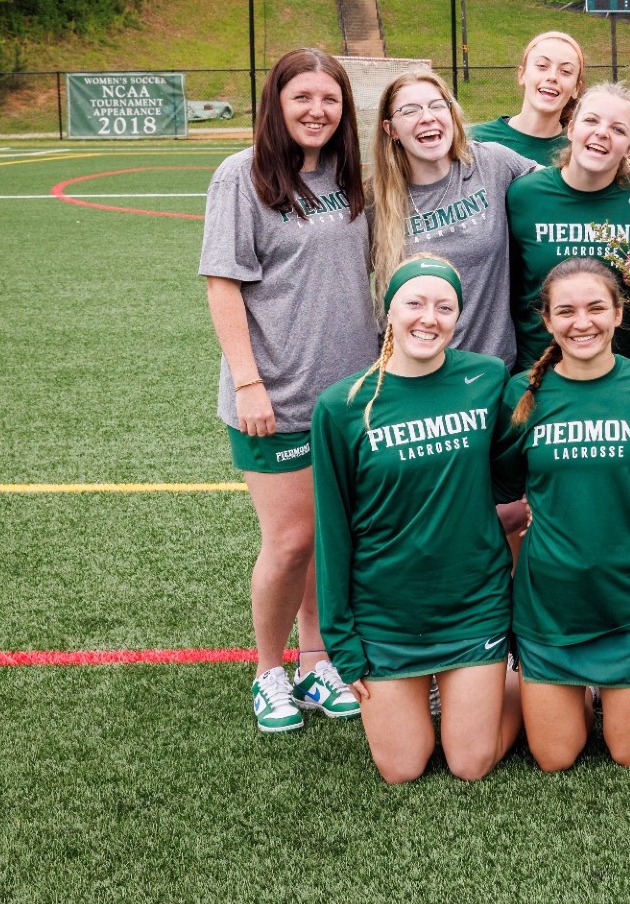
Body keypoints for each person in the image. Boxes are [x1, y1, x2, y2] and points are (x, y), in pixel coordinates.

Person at [201, 48, 374, 733]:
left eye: (329, 99)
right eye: (302, 97)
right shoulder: (241, 175)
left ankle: (317, 661)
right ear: (275, 102)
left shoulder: (350, 175)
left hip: (349, 396)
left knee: (329, 539)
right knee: (291, 540)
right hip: (274, 394)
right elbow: (223, 284)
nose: (316, 111)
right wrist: (249, 382)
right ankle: (268, 671)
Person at [312, 255, 522, 783]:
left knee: (470, 764)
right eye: (415, 303)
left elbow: (508, 473)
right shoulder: (342, 405)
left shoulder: (486, 378)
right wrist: (341, 642)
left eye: (445, 307)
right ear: (389, 311)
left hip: (472, 604)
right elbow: (332, 533)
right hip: (386, 613)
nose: (429, 318)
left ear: (458, 317)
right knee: (401, 769)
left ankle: (527, 682)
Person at [496, 258, 630, 770]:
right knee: (555, 757)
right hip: (550, 603)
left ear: (618, 314)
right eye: (566, 311)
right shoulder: (522, 392)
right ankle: (549, 682)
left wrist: (612, 503)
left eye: (596, 308)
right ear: (547, 320)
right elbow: (505, 479)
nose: (583, 323)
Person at [367, 67, 537, 370]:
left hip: (490, 374)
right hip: (410, 375)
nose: (427, 117)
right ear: (391, 129)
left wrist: (623, 163)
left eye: (437, 105)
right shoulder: (374, 200)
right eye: (410, 111)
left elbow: (564, 186)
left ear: (452, 114)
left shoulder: (491, 163)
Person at [506, 82, 630, 371]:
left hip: (629, 374)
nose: (602, 133)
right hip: (540, 372)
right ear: (570, 128)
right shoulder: (524, 195)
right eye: (591, 120)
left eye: (618, 129)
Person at [469, 31, 583, 166]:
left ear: (576, 88)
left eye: (566, 71)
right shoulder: (475, 140)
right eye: (542, 66)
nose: (552, 77)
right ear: (522, 74)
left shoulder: (579, 152)